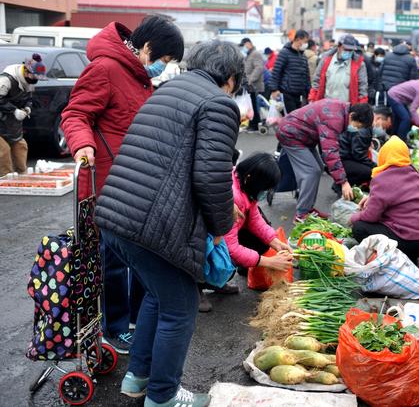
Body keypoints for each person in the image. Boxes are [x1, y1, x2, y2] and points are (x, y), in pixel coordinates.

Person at [95, 40, 244, 407]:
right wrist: (222, 227)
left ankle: (138, 378)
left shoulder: (167, 90)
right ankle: (163, 396)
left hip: (117, 217)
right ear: (229, 77)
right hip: (152, 224)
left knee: (156, 297)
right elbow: (210, 177)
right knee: (180, 307)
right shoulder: (219, 103)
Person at [61, 15, 184, 355]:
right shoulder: (106, 68)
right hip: (105, 180)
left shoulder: (137, 76)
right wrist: (82, 144)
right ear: (147, 48)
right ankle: (114, 328)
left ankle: (132, 321)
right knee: (112, 259)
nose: (163, 67)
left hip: (132, 180)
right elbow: (75, 114)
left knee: (135, 257)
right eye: (164, 60)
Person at [199, 153, 293, 312]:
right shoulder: (232, 196)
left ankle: (217, 281)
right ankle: (197, 287)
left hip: (224, 236)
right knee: (223, 260)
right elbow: (231, 249)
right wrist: (268, 262)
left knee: (260, 242)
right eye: (265, 188)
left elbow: (254, 218)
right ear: (250, 177)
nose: (265, 192)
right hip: (203, 241)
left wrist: (275, 241)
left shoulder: (245, 184)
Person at [276, 99, 376, 221]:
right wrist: (343, 182)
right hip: (291, 134)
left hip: (303, 135)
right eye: (357, 126)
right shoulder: (334, 119)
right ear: (352, 116)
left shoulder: (341, 110)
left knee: (317, 168)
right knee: (310, 172)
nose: (356, 129)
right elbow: (330, 152)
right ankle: (301, 214)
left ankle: (307, 209)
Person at [350, 135, 419, 263]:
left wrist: (353, 217)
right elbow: (397, 193)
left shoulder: (382, 178)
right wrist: (371, 197)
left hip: (410, 241)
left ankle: (398, 255)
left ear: (384, 156)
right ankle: (408, 256)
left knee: (359, 227)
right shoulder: (413, 173)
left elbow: (371, 216)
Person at [0, 54, 46, 176]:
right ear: (26, 71)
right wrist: (14, 110)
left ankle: (22, 175)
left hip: (12, 124)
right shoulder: (6, 80)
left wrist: (27, 108)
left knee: (21, 146)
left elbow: (29, 99)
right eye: (34, 75)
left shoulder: (29, 82)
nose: (36, 78)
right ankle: (5, 179)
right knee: (3, 151)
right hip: (3, 119)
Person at [309, 34, 368, 104]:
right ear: (339, 47)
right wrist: (312, 99)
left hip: (346, 108)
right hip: (325, 105)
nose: (348, 52)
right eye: (346, 49)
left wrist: (360, 107)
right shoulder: (326, 60)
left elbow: (363, 88)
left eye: (350, 50)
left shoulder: (359, 64)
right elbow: (316, 81)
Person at [269, 29, 311, 113]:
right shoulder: (285, 53)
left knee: (297, 118)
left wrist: (308, 93)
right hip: (287, 93)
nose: (306, 44)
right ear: (298, 39)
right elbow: (276, 71)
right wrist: (274, 89)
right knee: (291, 118)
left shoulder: (303, 56)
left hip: (299, 94)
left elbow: (306, 76)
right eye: (305, 41)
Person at [339, 106, 375, 186]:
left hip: (343, 157)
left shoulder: (354, 125)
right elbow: (358, 154)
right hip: (342, 159)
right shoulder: (361, 130)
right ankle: (342, 185)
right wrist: (374, 166)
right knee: (370, 172)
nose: (357, 128)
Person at [240, 38, 265, 132]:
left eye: (244, 45)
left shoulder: (255, 53)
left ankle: (254, 125)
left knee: (254, 105)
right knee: (251, 105)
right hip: (249, 85)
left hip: (254, 85)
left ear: (249, 43)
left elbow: (259, 68)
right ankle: (253, 123)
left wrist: (250, 80)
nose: (243, 47)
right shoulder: (249, 54)